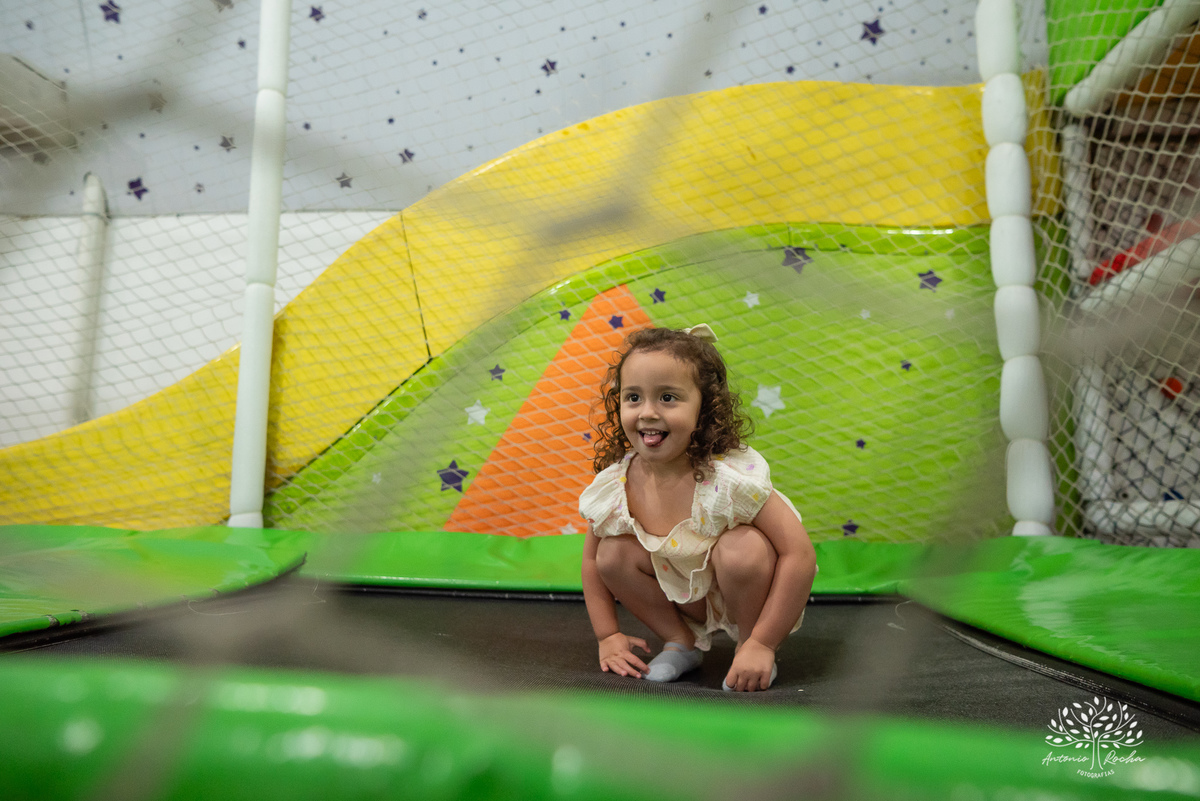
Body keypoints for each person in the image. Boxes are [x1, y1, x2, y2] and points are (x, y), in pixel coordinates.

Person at [579, 324, 817, 692]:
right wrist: (607, 635)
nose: (648, 412)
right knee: (612, 554)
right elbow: (594, 563)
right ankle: (681, 643)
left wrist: (763, 642)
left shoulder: (727, 479)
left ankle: (748, 648)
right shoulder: (617, 482)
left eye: (668, 398)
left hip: (745, 591)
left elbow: (799, 554)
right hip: (687, 597)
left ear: (704, 407)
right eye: (633, 397)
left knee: (743, 548)